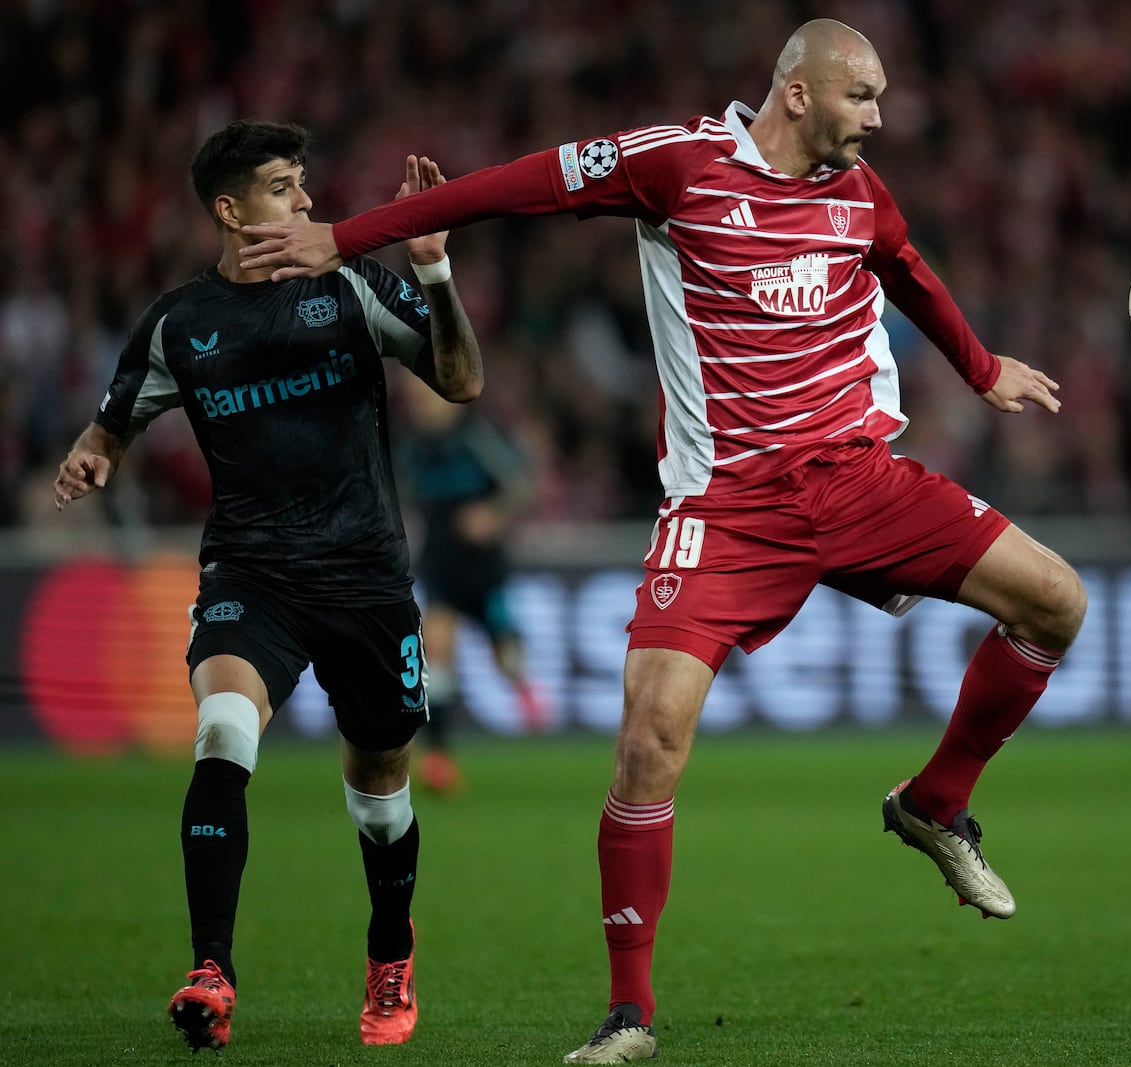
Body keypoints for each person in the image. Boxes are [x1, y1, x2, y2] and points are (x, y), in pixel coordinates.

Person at [240, 19, 1088, 1064]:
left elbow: (904, 263)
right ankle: (629, 1012)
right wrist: (348, 236)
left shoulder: (860, 192)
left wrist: (979, 366)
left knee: (1056, 599)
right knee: (648, 739)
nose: (879, 116)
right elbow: (517, 183)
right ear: (798, 94)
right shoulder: (675, 165)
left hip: (861, 477)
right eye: (861, 96)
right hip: (728, 504)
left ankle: (936, 801)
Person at [53, 119, 484, 1052]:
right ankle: (212, 968)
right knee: (222, 730)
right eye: (285, 186)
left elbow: (459, 380)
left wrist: (435, 275)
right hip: (252, 571)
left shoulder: (349, 281)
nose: (306, 202)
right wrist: (93, 454)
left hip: (366, 575)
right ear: (230, 208)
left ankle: (387, 950)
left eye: (303, 183)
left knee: (380, 788)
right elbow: (114, 421)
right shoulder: (181, 322)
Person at [393, 373, 548, 794]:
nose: (421, 403)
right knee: (438, 649)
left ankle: (525, 686)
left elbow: (521, 485)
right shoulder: (411, 446)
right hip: (441, 565)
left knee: (506, 656)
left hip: (483, 568)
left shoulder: (474, 437)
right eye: (414, 396)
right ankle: (439, 757)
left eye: (427, 395)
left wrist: (491, 515)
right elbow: (401, 492)